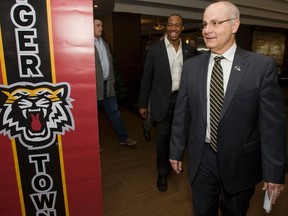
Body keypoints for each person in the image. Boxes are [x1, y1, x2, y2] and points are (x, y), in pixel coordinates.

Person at [169, 1, 286, 215]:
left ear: (235, 25)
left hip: (240, 162)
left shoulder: (261, 67)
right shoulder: (192, 67)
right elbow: (182, 113)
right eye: (204, 24)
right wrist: (176, 150)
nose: (207, 30)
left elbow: (272, 127)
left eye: (215, 23)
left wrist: (274, 173)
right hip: (201, 157)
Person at [138, 14, 195, 192]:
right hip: (163, 101)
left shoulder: (189, 51)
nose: (173, 28)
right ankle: (162, 172)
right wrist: (142, 104)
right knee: (162, 139)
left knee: (178, 136)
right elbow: (146, 78)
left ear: (182, 28)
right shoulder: (155, 50)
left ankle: (175, 162)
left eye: (177, 25)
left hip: (183, 101)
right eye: (170, 25)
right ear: (166, 27)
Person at [94, 19, 137, 150]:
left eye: (102, 25)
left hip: (108, 86)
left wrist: (112, 81)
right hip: (95, 88)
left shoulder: (104, 44)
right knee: (93, 118)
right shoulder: (86, 45)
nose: (101, 28)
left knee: (115, 112)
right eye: (98, 25)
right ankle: (94, 144)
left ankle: (124, 138)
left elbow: (110, 65)